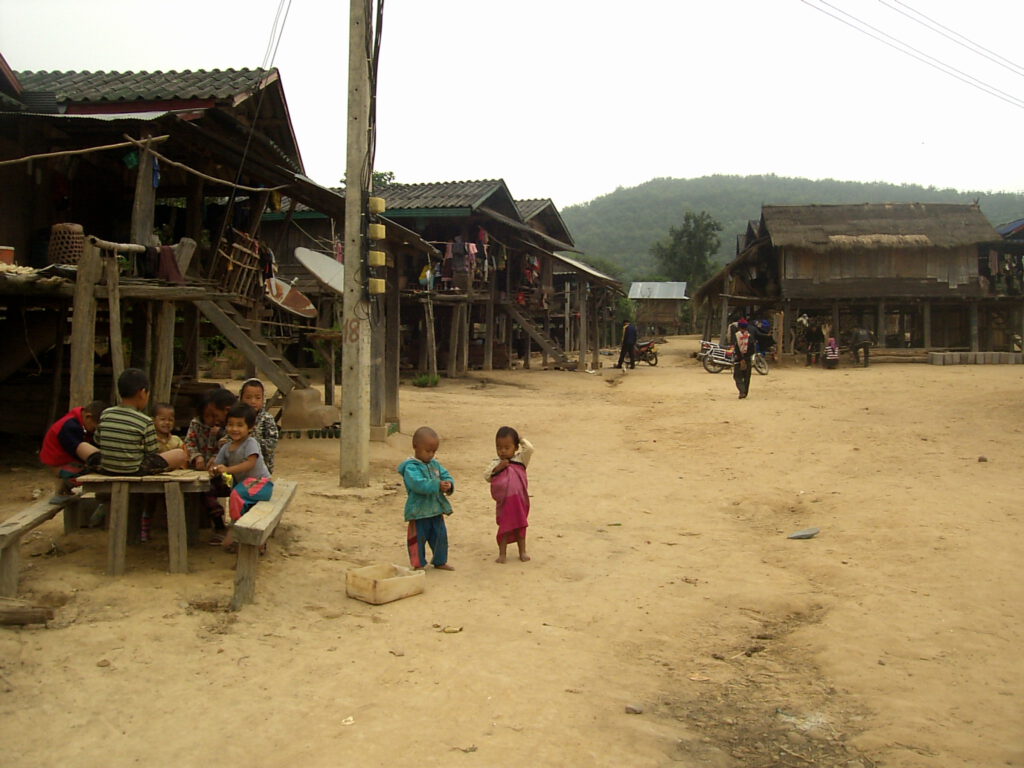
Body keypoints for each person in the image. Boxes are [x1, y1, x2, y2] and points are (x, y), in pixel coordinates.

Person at [94, 368, 188, 475]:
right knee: (180, 454)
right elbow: (152, 453)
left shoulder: (105, 413)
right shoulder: (145, 421)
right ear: (143, 393)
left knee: (84, 446)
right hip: (134, 471)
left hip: (107, 469)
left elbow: (97, 440)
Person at [208, 403, 274, 551]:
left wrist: (228, 469)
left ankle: (235, 529)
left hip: (261, 484)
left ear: (250, 428)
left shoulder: (251, 443)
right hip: (245, 488)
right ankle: (248, 539)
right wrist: (214, 468)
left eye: (239, 425)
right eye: (230, 424)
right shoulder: (226, 447)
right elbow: (218, 464)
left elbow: (250, 463)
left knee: (236, 494)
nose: (234, 429)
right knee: (236, 495)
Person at [397, 426, 455, 571]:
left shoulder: (435, 464)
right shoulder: (410, 468)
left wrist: (449, 484)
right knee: (417, 540)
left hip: (436, 510)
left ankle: (440, 561)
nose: (431, 455)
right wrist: (436, 485)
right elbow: (418, 484)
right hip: (418, 512)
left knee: (440, 538)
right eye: (427, 451)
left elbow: (446, 474)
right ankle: (418, 564)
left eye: (434, 451)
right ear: (415, 447)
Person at [485, 426, 534, 563]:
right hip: (505, 504)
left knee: (520, 527)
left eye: (507, 447)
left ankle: (522, 552)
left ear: (516, 447)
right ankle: (502, 554)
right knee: (504, 529)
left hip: (519, 502)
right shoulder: (495, 463)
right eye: (499, 447)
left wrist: (520, 438)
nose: (502, 451)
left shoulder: (521, 460)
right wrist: (498, 468)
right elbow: (487, 476)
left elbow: (530, 449)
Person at [40, 400, 104, 500]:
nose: (95, 431)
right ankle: (63, 487)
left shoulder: (80, 425)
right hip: (60, 465)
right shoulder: (69, 426)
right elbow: (81, 452)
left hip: (70, 461)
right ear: (88, 417)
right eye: (95, 428)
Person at [184, 388, 236, 471]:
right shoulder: (196, 424)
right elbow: (189, 442)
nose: (213, 420)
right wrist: (196, 456)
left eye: (215, 415)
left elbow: (229, 445)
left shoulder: (228, 427)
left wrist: (217, 457)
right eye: (208, 416)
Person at [239, 378, 280, 474]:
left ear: (263, 399)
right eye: (248, 397)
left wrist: (250, 442)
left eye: (257, 398)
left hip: (261, 469)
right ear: (241, 398)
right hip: (239, 467)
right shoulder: (237, 418)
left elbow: (272, 443)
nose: (253, 401)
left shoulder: (266, 418)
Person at [729, 318, 756, 399]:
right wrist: (745, 358)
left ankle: (741, 391)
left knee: (737, 376)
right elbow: (752, 350)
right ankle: (745, 392)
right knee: (747, 377)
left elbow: (735, 348)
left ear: (739, 327)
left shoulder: (736, 336)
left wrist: (741, 358)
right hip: (747, 360)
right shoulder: (749, 337)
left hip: (738, 359)